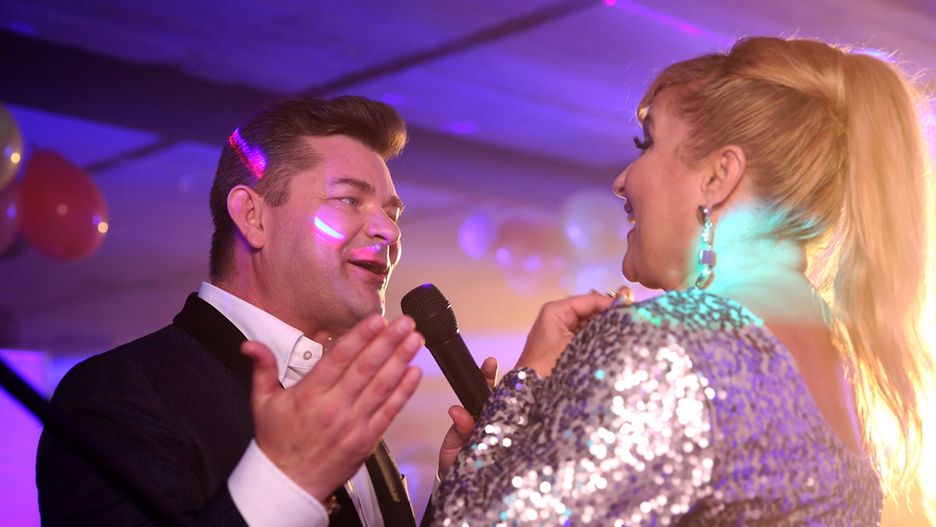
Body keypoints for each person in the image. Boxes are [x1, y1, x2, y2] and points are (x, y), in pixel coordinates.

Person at [432, 36, 934, 525]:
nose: (621, 181)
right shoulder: (846, 372)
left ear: (718, 176)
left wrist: (522, 393)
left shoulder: (662, 341)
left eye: (647, 143)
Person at [36, 96, 480, 526]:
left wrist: (462, 494)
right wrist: (286, 481)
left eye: (391, 212)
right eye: (349, 200)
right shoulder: (116, 394)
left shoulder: (335, 395)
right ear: (252, 216)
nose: (389, 230)